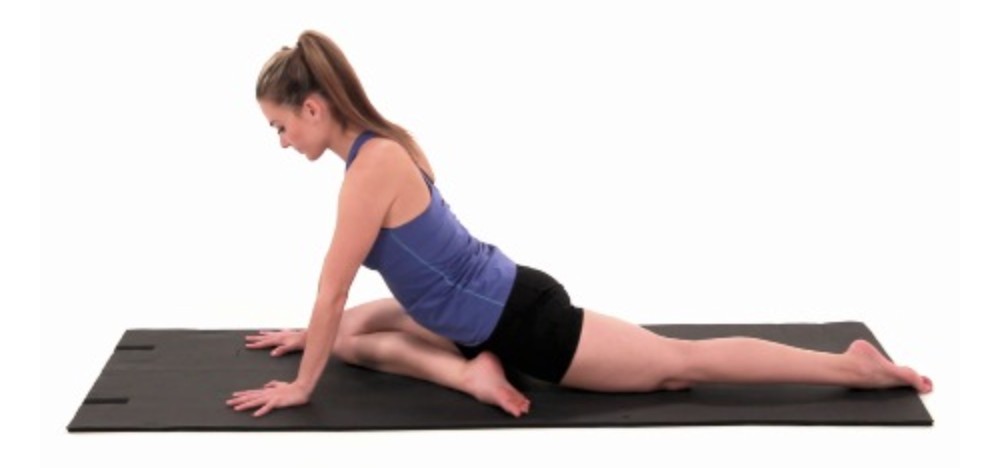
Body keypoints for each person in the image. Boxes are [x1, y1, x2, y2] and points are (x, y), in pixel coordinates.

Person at [226, 30, 933, 418]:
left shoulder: (367, 173)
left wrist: (301, 387)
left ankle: (853, 368)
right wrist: (308, 337)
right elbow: (337, 311)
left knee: (678, 368)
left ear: (314, 108)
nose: (283, 141)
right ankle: (470, 375)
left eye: (281, 126)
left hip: (527, 321)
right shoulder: (382, 145)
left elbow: (331, 292)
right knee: (347, 338)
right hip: (483, 309)